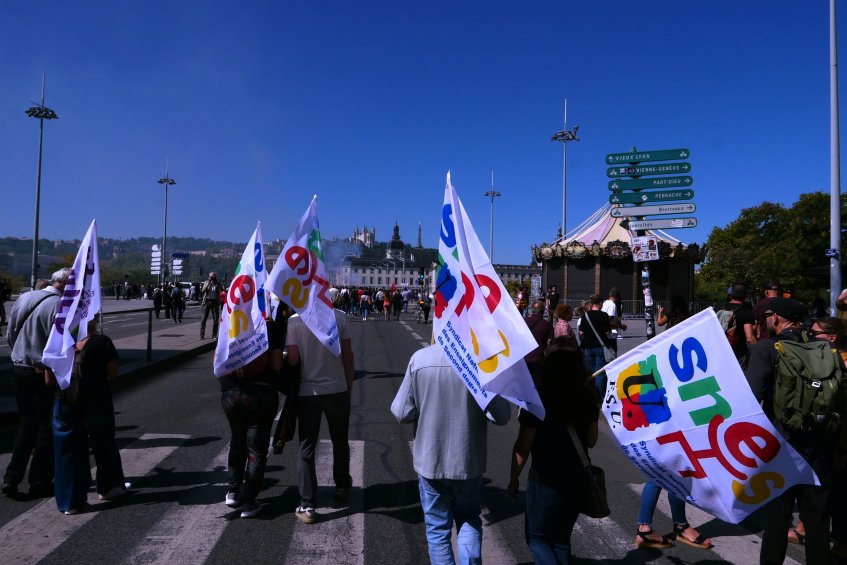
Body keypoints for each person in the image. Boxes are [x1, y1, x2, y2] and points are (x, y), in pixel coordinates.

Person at [391, 344, 511, 564]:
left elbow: (401, 412)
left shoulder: (420, 359)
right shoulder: (483, 361)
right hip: (468, 460)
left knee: (437, 530)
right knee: (469, 518)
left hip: (431, 460)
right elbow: (501, 416)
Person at [746, 298, 840, 565]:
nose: (764, 321)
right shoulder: (826, 348)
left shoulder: (767, 349)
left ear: (776, 318)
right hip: (821, 445)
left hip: (782, 447)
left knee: (777, 520)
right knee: (818, 523)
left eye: (766, 316)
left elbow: (753, 398)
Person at [508, 337, 598, 563]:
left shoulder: (537, 398)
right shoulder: (587, 395)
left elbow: (523, 446)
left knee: (537, 539)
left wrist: (513, 478)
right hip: (577, 478)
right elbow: (592, 440)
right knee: (561, 540)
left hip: (545, 479)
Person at [3, 267, 70, 499]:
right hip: (43, 371)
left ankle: (11, 478)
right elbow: (61, 345)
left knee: (26, 424)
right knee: (44, 427)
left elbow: (10, 333)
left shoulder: (26, 297)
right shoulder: (60, 305)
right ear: (63, 284)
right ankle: (39, 481)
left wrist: (20, 354)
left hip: (20, 368)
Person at [51, 316, 128, 515]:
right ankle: (110, 488)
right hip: (96, 399)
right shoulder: (101, 342)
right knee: (103, 442)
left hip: (66, 399)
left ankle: (70, 502)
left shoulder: (58, 340)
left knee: (68, 449)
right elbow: (113, 373)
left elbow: (47, 379)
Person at [285, 307, 354, 524]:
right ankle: (342, 485)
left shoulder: (295, 321)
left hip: (309, 393)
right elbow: (348, 355)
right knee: (340, 440)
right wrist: (348, 387)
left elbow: (294, 360)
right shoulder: (340, 316)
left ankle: (308, 504)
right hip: (337, 389)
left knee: (306, 446)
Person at [220, 316, 283, 519]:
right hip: (260, 395)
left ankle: (233, 491)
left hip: (231, 394)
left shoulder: (231, 321)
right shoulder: (269, 326)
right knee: (256, 449)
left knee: (237, 439)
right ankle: (249, 502)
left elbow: (220, 358)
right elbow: (277, 365)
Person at [578, 294, 612, 402]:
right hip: (600, 347)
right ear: (600, 303)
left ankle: (590, 394)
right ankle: (598, 398)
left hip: (588, 347)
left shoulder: (585, 315)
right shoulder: (604, 316)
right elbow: (608, 332)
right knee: (600, 373)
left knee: (591, 371)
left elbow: (581, 332)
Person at [727, 283, 756, 370]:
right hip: (738, 353)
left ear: (731, 294)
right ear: (745, 296)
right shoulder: (747, 312)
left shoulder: (718, 309)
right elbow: (749, 338)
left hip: (720, 351)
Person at [524, 301, 554, 379]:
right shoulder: (547, 324)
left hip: (524, 358)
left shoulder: (523, 321)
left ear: (532, 309)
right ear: (543, 311)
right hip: (538, 358)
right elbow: (550, 342)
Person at [200, 272, 223, 339]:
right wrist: (209, 283)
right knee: (204, 319)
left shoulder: (217, 283)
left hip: (215, 302)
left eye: (214, 277)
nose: (213, 279)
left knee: (216, 319)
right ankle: (202, 335)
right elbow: (203, 290)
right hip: (207, 301)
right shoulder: (206, 282)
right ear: (209, 277)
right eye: (211, 277)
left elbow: (221, 290)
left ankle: (214, 334)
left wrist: (217, 284)